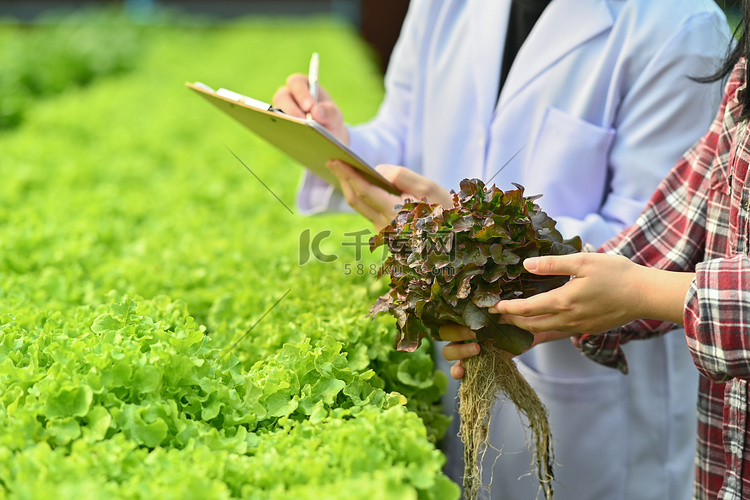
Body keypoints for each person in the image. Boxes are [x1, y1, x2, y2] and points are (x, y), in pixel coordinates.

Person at [273, 1, 731, 498]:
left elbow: (660, 246)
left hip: (598, 411)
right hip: (462, 356)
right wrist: (337, 142)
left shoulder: (678, 24)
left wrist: (457, 229)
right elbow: (400, 135)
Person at [442, 6, 750, 496]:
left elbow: (647, 269)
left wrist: (641, 291)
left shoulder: (684, 22)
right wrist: (518, 296)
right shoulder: (741, 78)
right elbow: (672, 226)